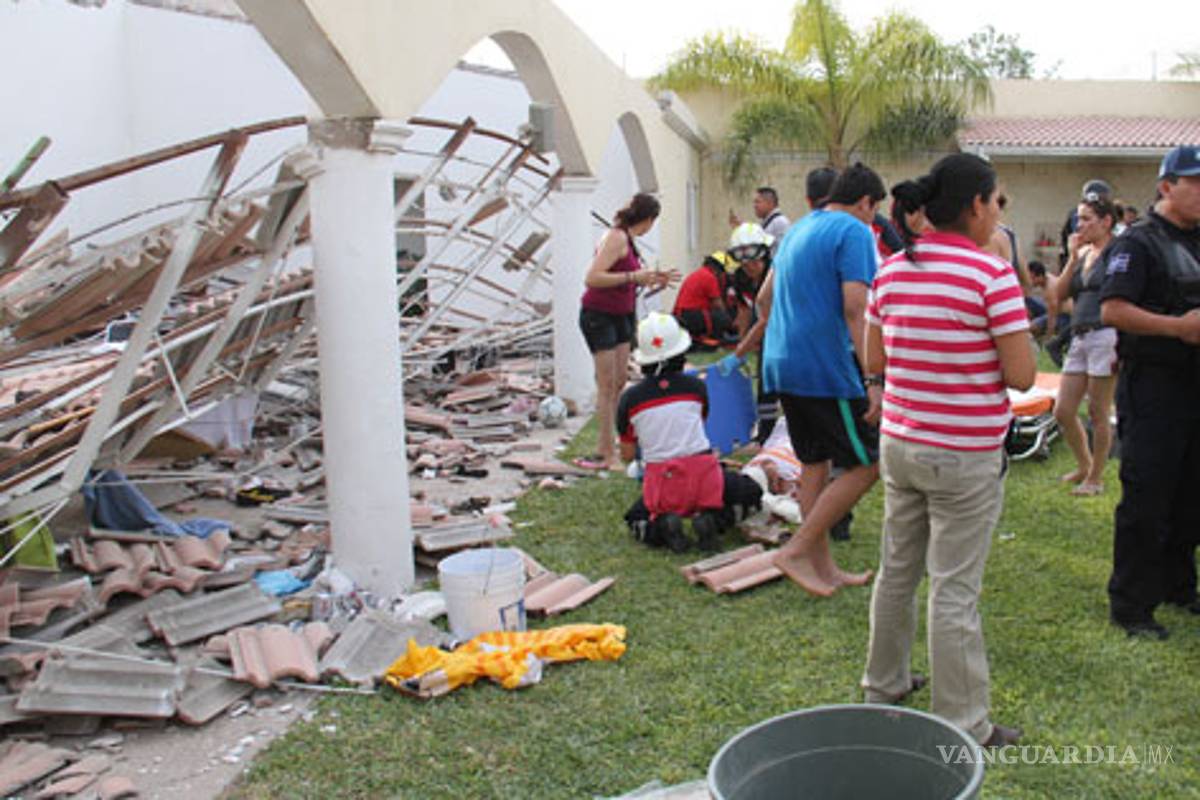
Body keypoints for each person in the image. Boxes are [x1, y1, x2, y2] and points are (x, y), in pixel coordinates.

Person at [861, 153, 1034, 749]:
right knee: (954, 588)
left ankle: (882, 685)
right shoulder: (992, 276)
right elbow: (1022, 375)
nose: (997, 214)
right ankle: (964, 724)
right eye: (996, 202)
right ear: (976, 205)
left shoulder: (892, 271)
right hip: (963, 453)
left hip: (901, 444)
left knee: (897, 572)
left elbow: (874, 360)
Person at [762, 162, 886, 597]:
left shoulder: (797, 229)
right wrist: (874, 376)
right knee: (870, 461)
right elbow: (856, 307)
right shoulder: (854, 231)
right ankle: (796, 550)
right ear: (866, 202)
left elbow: (764, 298)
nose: (874, 217)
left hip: (782, 361)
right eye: (875, 209)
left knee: (815, 463)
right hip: (822, 367)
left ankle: (823, 567)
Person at [1099, 144, 1200, 640]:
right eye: (1195, 183)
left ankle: (1179, 584)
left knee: (1191, 491)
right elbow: (1112, 310)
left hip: (1194, 383)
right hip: (1154, 385)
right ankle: (1132, 604)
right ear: (1167, 186)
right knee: (1148, 493)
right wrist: (1177, 328)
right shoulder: (1138, 243)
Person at [619, 313, 762, 552]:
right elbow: (700, 421)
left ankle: (663, 527)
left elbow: (627, 453)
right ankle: (713, 520)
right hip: (705, 477)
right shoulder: (696, 388)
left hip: (662, 484)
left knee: (635, 516)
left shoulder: (630, 399)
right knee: (751, 492)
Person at [577, 193, 675, 471]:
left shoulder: (630, 242)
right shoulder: (616, 237)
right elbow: (593, 277)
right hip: (600, 315)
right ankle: (605, 451)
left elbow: (627, 281)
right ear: (648, 219)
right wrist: (634, 276)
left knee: (620, 381)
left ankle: (620, 442)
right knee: (606, 385)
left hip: (622, 315)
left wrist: (652, 280)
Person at [1053, 197, 1120, 496]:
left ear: (1106, 222)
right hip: (1080, 334)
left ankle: (1095, 477)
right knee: (1063, 410)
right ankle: (1084, 464)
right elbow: (1059, 293)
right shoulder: (1082, 254)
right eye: (1078, 219)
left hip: (1105, 334)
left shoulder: (1118, 251)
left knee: (1097, 410)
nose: (1079, 225)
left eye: (1087, 219)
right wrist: (1071, 259)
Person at [672, 250, 736, 348]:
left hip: (681, 315)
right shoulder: (709, 277)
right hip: (691, 316)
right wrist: (731, 322)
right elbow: (718, 304)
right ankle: (717, 338)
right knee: (722, 318)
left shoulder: (700, 273)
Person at [1060, 178, 1113, 267]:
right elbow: (1066, 235)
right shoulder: (1076, 213)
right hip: (1083, 256)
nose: (1080, 224)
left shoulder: (1075, 212)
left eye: (1086, 219)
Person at [730, 187, 790, 258]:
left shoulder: (780, 222)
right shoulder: (769, 222)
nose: (754, 206)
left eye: (757, 202)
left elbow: (783, 251)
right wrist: (741, 228)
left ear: (770, 203)